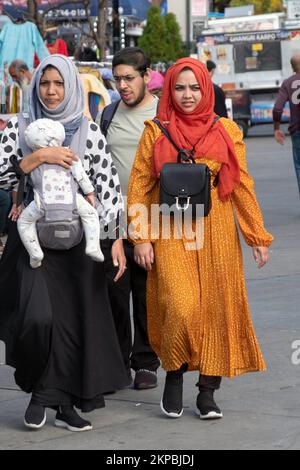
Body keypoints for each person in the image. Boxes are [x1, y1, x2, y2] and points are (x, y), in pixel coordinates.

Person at [127, 58, 273, 420]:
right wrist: (141, 237)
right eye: (179, 87)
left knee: (217, 308)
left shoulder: (226, 129)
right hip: (171, 228)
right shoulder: (155, 130)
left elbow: (241, 183)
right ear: (170, 90)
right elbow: (139, 186)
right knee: (180, 304)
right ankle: (174, 373)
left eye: (194, 87)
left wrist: (256, 234)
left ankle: (208, 391)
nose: (187, 95)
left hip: (218, 228)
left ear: (206, 88)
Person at [0, 54, 128, 432]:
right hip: (33, 246)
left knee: (74, 327)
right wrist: (36, 157)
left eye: (58, 84)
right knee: (38, 320)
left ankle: (56, 403)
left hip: (78, 247)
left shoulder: (88, 131)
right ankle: (45, 394)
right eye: (44, 83)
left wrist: (116, 239)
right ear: (35, 85)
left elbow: (107, 189)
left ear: (71, 86)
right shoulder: (18, 127)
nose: (52, 91)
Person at [97, 47, 160, 390]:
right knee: (114, 291)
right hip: (113, 216)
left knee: (146, 290)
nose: (122, 85)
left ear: (146, 76)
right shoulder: (107, 114)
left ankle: (146, 361)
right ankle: (118, 361)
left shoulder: (163, 112)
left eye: (128, 78)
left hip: (154, 216)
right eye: (116, 78)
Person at [16, 118, 104, 268]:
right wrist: (89, 193)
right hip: (72, 200)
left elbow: (24, 183)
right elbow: (81, 176)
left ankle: (35, 251)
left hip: (41, 203)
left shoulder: (33, 160)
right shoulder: (69, 155)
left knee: (24, 222)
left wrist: (19, 203)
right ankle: (93, 245)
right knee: (91, 215)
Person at [273, 54, 300, 199]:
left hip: (297, 130)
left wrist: (276, 128)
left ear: (292, 67)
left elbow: (278, 108)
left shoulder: (288, 83)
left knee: (299, 166)